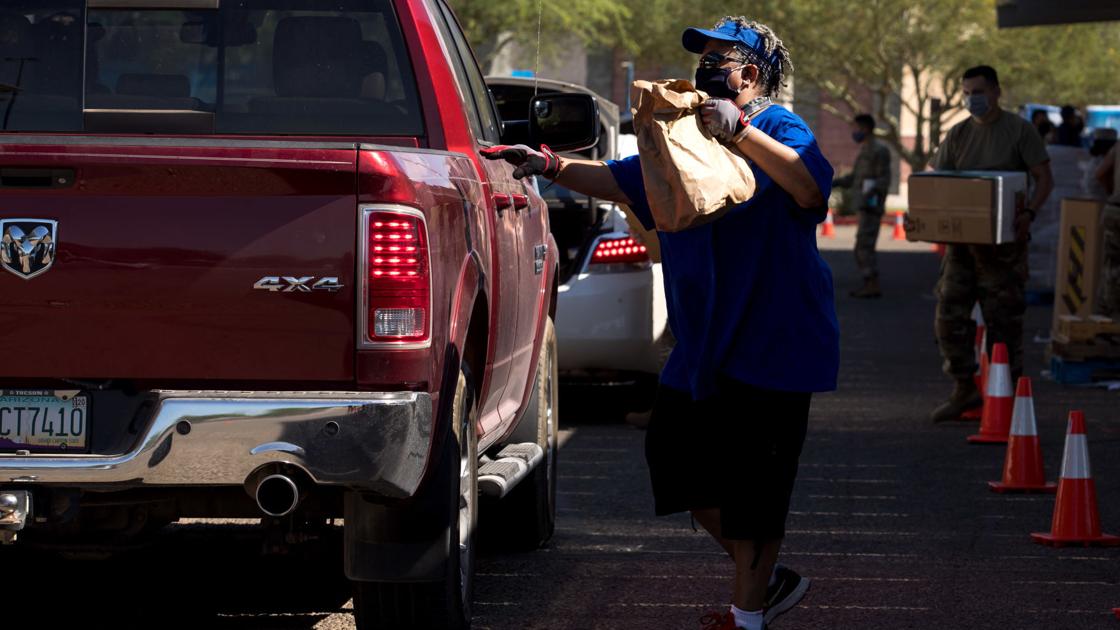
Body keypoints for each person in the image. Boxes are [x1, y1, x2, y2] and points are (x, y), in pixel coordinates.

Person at [482, 16, 838, 630]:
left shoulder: (781, 126)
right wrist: (546, 164)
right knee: (675, 465)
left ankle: (746, 613)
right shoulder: (680, 131)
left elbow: (809, 191)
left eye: (719, 58)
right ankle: (766, 580)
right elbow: (623, 182)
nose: (705, 67)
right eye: (702, 57)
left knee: (757, 489)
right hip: (703, 346)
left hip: (774, 342)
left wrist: (742, 132)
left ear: (751, 74)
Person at [927, 65, 1053, 423]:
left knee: (1004, 323)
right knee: (948, 316)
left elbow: (1044, 178)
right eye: (966, 93)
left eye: (978, 92)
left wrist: (1029, 211)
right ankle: (963, 387)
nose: (972, 99)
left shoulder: (1019, 131)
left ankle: (1007, 398)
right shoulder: (959, 134)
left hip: (1004, 248)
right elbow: (939, 181)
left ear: (996, 91)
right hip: (962, 245)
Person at [832, 113, 892, 298]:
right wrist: (833, 182)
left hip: (871, 206)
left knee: (864, 247)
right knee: (862, 246)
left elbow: (884, 179)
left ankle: (872, 284)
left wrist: (871, 193)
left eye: (856, 128)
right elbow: (854, 178)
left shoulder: (878, 151)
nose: (854, 132)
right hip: (864, 205)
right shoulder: (865, 150)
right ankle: (870, 282)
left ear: (865, 128)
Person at [1094, 141, 1120, 317]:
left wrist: (1112, 192)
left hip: (1115, 210)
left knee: (1111, 267)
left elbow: (1100, 173)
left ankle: (1106, 321)